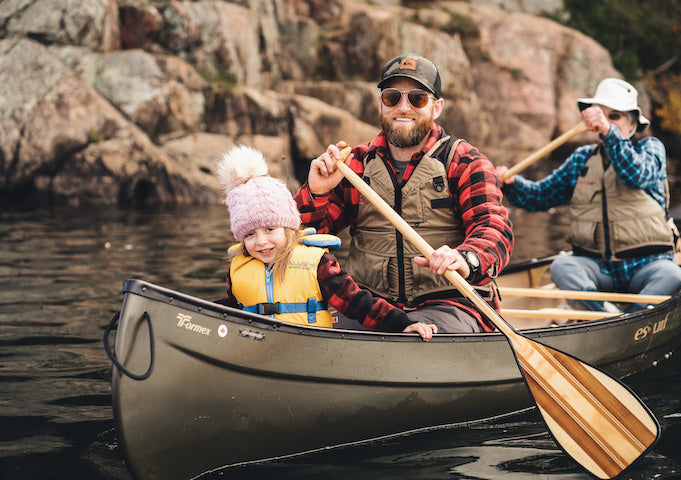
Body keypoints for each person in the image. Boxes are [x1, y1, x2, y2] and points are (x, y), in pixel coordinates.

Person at [294, 53, 513, 333]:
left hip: (450, 304)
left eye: (417, 98)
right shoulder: (354, 165)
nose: (403, 107)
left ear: (436, 107)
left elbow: (495, 228)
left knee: (421, 341)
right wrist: (317, 191)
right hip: (370, 307)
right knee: (313, 331)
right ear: (381, 104)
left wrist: (467, 258)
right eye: (392, 97)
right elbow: (304, 238)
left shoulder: (465, 161)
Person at [495, 78, 681, 312]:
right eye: (601, 115)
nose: (605, 121)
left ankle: (635, 313)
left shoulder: (651, 148)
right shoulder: (582, 158)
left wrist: (608, 132)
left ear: (633, 124)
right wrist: (512, 184)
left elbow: (637, 175)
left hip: (646, 264)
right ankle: (606, 313)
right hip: (598, 267)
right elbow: (541, 197)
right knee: (562, 266)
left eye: (614, 116)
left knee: (673, 275)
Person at [215, 144, 437, 341]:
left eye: (270, 229)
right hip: (258, 345)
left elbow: (358, 303)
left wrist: (402, 324)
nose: (261, 242)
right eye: (249, 235)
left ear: (289, 227)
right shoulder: (240, 267)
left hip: (308, 349)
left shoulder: (317, 264)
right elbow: (232, 307)